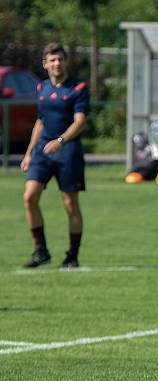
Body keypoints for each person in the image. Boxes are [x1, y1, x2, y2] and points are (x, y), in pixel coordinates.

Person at [20, 42, 89, 269]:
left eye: (60, 59)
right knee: (29, 197)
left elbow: (80, 122)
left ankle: (72, 256)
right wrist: (29, 153)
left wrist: (60, 141)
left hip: (67, 151)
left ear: (65, 61)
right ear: (45, 64)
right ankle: (41, 251)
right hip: (42, 151)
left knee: (70, 203)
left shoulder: (78, 88)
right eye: (52, 60)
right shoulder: (42, 88)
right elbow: (40, 121)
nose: (56, 63)